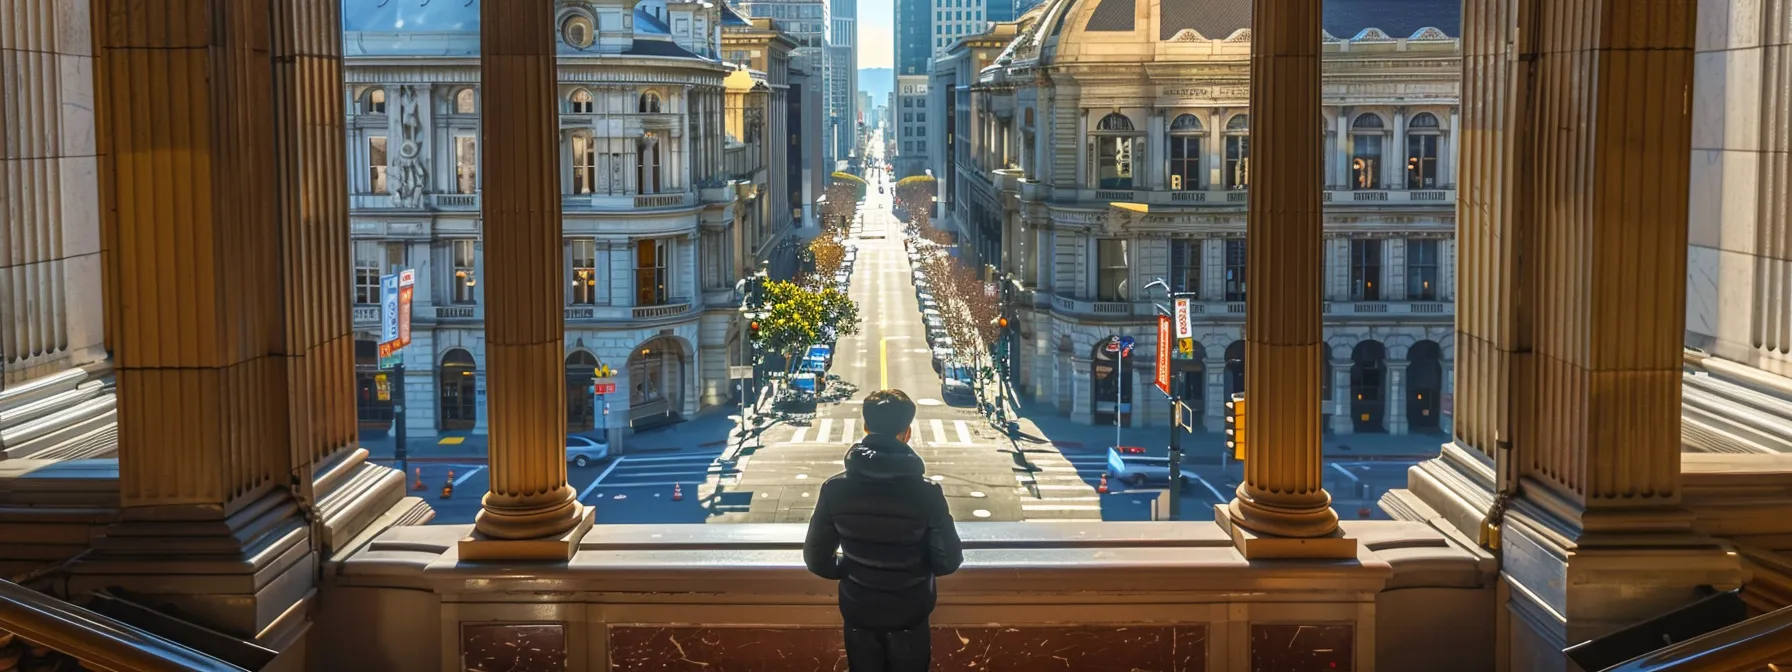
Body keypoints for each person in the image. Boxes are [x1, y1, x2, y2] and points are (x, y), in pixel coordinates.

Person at [804, 389, 963, 671]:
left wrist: (852, 569)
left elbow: (816, 559)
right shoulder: (927, 493)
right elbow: (948, 560)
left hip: (859, 611)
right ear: (907, 433)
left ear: (866, 427)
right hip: (910, 614)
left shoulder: (834, 489)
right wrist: (913, 569)